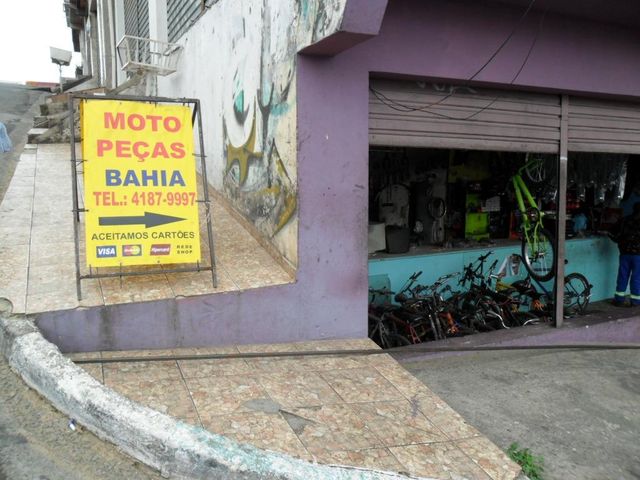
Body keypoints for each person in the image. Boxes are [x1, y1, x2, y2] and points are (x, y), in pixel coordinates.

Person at [610, 202, 640, 306]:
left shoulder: (624, 220)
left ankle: (619, 300)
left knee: (622, 276)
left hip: (624, 253)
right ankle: (635, 301)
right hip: (638, 256)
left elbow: (612, 232)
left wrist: (619, 241)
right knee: (637, 278)